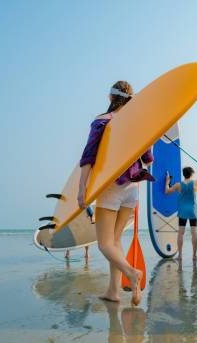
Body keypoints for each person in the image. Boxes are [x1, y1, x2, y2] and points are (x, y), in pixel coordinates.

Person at [77, 81, 154, 306]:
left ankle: (131, 273)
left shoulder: (102, 121)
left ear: (111, 98)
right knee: (116, 240)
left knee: (104, 244)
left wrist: (82, 189)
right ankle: (114, 291)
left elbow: (89, 156)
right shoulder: (136, 126)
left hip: (111, 186)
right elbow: (149, 159)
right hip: (133, 188)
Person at [165, 166, 197, 260]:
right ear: (192, 174)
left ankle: (180, 256)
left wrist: (167, 182)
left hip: (182, 211)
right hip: (193, 211)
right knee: (194, 233)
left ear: (184, 174)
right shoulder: (196, 183)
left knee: (181, 233)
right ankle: (194, 255)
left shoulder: (178, 185)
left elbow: (167, 192)